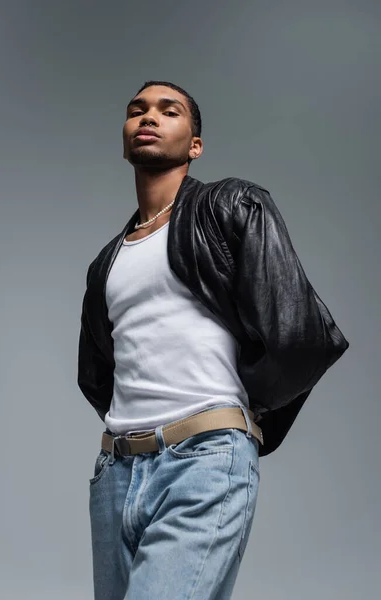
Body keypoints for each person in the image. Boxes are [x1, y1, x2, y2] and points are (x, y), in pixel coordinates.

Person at [77, 80, 349, 600]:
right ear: (125, 136)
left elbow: (297, 335)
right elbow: (97, 374)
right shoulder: (106, 263)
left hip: (201, 461)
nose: (148, 117)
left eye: (168, 110)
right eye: (137, 111)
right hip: (115, 474)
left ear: (194, 143)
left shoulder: (231, 207)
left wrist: (232, 418)